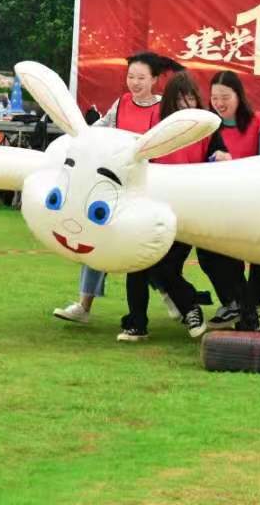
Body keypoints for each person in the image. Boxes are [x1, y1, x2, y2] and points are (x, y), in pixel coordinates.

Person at [55, 52, 183, 325]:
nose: (134, 83)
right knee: (95, 237)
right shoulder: (122, 103)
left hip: (146, 188)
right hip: (113, 186)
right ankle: (84, 305)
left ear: (155, 80)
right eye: (130, 77)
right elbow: (100, 130)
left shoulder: (163, 109)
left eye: (141, 78)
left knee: (143, 246)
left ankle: (171, 295)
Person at [198, 70, 260, 333]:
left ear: (238, 97)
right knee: (210, 256)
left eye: (225, 97)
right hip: (219, 208)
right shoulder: (207, 127)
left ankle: (251, 310)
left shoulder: (258, 121)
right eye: (215, 97)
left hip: (255, 207)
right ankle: (239, 305)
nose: (219, 103)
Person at [118, 71, 213, 342]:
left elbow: (219, 159)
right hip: (152, 207)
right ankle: (136, 323)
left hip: (189, 211)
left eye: (191, 98)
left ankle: (191, 306)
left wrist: (220, 156)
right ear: (170, 102)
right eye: (180, 100)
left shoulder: (207, 127)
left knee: (166, 268)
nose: (186, 105)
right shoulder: (156, 126)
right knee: (137, 264)